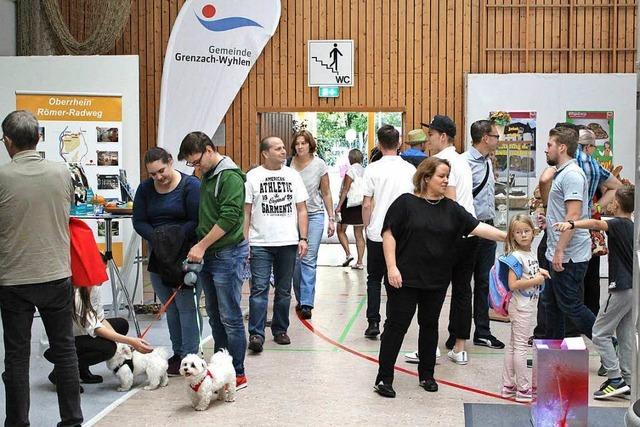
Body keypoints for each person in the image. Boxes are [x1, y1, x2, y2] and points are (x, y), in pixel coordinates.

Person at [373, 157, 506, 398]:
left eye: (447, 176)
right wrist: (392, 267)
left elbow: (478, 228)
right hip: (403, 279)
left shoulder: (451, 209)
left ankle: (427, 375)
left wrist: (508, 237)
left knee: (429, 325)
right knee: (396, 327)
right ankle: (384, 377)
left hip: (435, 280)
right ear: (426, 178)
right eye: (441, 176)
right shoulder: (405, 203)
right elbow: (389, 234)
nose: (446, 180)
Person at [0, 110, 83, 426]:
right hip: (55, 273)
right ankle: (72, 420)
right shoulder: (63, 172)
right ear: (39, 138)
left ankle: (17, 423)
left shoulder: (3, 177)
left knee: (17, 358)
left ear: (8, 142)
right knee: (65, 351)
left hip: (13, 278)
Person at [178, 132, 249, 390]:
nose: (195, 168)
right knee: (215, 316)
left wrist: (202, 244)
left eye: (196, 161)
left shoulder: (229, 176)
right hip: (209, 255)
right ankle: (220, 366)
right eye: (191, 164)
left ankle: (237, 372)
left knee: (230, 316)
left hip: (227, 254)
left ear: (209, 150)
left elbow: (230, 217)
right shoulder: (207, 175)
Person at [554, 185, 635, 399]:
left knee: (599, 333)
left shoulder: (618, 223)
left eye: (611, 198)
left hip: (620, 288)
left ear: (616, 204)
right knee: (625, 335)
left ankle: (615, 379)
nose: (608, 201)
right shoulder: (631, 225)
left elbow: (596, 223)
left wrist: (571, 223)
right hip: (633, 290)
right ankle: (628, 381)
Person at [132, 147, 202, 375]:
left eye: (161, 171)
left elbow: (196, 218)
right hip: (158, 255)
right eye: (152, 174)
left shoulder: (191, 186)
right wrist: (158, 238)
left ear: (170, 162)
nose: (158, 177)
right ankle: (179, 352)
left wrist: (175, 237)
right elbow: (139, 221)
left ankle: (192, 355)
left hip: (184, 254)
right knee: (169, 306)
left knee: (186, 306)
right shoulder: (145, 189)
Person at [244, 137, 309, 351]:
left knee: (283, 290)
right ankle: (256, 334)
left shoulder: (293, 176)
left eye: (283, 148)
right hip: (260, 242)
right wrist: (245, 242)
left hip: (288, 242)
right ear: (265, 153)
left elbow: (301, 209)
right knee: (259, 289)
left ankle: (280, 329)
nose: (284, 151)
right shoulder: (252, 177)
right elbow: (246, 212)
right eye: (278, 148)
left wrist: (303, 238)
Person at [362, 125, 416, 338]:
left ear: (378, 143)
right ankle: (391, 324)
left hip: (377, 232)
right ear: (399, 143)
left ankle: (372, 321)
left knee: (373, 279)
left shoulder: (372, 169)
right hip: (403, 234)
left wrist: (367, 226)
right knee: (396, 280)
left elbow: (367, 204)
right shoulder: (409, 170)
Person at [44, 285, 153, 386]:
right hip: (60, 344)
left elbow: (100, 319)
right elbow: (97, 328)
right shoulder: (76, 295)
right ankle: (60, 372)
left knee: (121, 325)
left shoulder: (94, 288)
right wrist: (130, 341)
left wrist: (121, 343)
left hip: (81, 333)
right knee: (108, 348)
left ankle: (82, 369)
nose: (103, 278)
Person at [543, 126, 594, 340]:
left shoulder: (572, 175)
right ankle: (552, 356)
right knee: (552, 305)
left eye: (550, 145)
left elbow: (573, 215)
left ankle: (609, 342)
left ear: (562, 147)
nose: (546, 149)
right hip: (558, 250)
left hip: (569, 255)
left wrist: (559, 251)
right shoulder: (562, 172)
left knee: (571, 305)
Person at [462, 119, 505, 350]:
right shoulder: (463, 163)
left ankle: (482, 331)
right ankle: (457, 333)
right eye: (496, 136)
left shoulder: (488, 161)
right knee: (462, 285)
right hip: (469, 230)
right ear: (485, 138)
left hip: (487, 228)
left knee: (484, 282)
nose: (499, 140)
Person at [500, 215, 549, 403]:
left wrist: (538, 272)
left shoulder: (529, 253)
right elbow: (513, 284)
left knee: (514, 344)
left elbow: (528, 272)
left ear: (533, 232)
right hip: (521, 306)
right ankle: (523, 388)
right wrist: (536, 280)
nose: (523, 235)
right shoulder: (516, 256)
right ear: (512, 236)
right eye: (518, 232)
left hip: (527, 305)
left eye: (526, 231)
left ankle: (508, 385)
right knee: (520, 346)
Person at [290, 130, 334, 320]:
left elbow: (326, 192)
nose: (300, 147)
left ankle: (307, 302)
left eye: (303, 143)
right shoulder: (288, 164)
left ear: (310, 145)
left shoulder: (319, 165)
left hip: (314, 214)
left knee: (308, 258)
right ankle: (301, 298)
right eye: (297, 144)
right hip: (291, 216)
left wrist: (332, 217)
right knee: (295, 261)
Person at [335, 148, 366, 269]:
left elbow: (345, 190)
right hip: (362, 205)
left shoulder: (350, 172)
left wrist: (339, 206)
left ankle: (348, 254)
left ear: (350, 158)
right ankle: (359, 262)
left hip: (349, 206)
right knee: (359, 233)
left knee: (340, 229)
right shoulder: (365, 171)